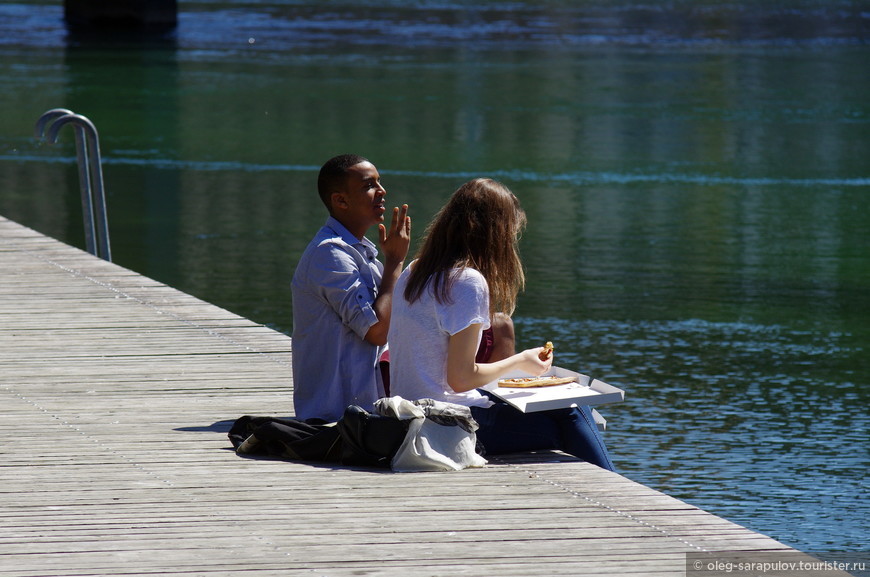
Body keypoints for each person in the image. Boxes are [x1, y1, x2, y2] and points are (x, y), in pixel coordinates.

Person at [387, 178, 614, 470]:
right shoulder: (467, 281)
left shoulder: (415, 270)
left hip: (410, 418)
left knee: (566, 415)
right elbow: (461, 378)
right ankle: (615, 489)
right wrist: (520, 361)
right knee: (573, 415)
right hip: (446, 426)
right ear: (493, 234)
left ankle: (605, 490)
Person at [291, 154, 411, 423]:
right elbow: (376, 332)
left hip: (366, 411)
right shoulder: (329, 254)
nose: (382, 191)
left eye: (380, 183)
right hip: (335, 416)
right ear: (340, 200)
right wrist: (395, 261)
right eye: (369, 185)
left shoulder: (363, 254)